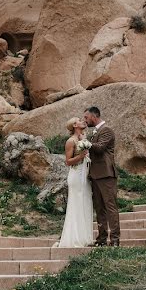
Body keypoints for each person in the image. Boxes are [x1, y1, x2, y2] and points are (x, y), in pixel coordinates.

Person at [83, 106, 120, 247]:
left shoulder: (107, 130)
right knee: (99, 209)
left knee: (110, 207)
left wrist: (84, 143)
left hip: (106, 174)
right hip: (95, 175)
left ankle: (115, 240)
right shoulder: (94, 132)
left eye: (86, 117)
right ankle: (102, 239)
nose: (85, 121)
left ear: (94, 116)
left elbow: (99, 148)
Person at [55, 117, 94, 248]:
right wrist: (80, 156)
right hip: (76, 176)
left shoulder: (83, 137)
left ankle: (85, 238)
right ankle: (74, 238)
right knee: (76, 204)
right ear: (75, 125)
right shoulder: (70, 141)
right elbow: (68, 162)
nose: (83, 121)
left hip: (85, 175)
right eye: (79, 120)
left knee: (85, 203)